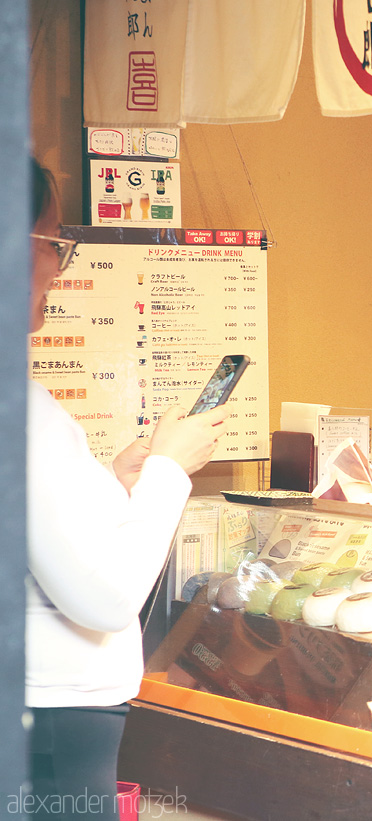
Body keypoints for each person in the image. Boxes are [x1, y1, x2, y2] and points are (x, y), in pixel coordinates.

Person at [24, 157, 229, 819]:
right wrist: (170, 471)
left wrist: (116, 484)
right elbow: (105, 596)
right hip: (48, 734)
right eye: (55, 244)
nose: (63, 266)